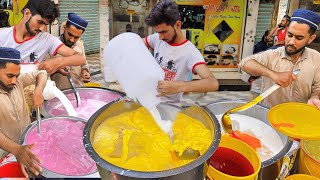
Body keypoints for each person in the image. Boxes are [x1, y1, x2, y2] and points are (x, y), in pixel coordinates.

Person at [239, 9, 320, 109]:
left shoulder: (316, 58)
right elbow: (245, 63)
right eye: (289, 35)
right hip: (270, 116)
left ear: (311, 39)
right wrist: (273, 74)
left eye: (299, 38)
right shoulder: (273, 54)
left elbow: (317, 87)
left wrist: (315, 97)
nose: (291, 42)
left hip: (300, 117)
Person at [143, 0, 219, 104]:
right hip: (147, 100)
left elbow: (212, 83)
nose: (160, 37)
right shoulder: (157, 38)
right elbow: (140, 43)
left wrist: (180, 86)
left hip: (169, 107)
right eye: (157, 32)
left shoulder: (190, 52)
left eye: (164, 32)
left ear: (177, 25)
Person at [0, 0, 86, 75]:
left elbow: (80, 58)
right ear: (27, 13)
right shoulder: (2, 35)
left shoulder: (46, 39)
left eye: (45, 24)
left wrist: (59, 62)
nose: (42, 28)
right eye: (40, 22)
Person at [0, 47, 47, 177]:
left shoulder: (17, 82)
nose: (14, 81)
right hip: (5, 155)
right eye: (9, 76)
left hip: (26, 146)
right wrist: (16, 150)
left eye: (17, 76)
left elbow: (42, 73)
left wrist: (38, 90)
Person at [51, 13, 91, 90]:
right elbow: (43, 70)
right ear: (64, 28)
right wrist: (56, 69)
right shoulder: (52, 44)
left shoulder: (80, 45)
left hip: (79, 90)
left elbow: (84, 64)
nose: (72, 40)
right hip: (59, 93)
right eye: (70, 34)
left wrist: (85, 72)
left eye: (76, 37)